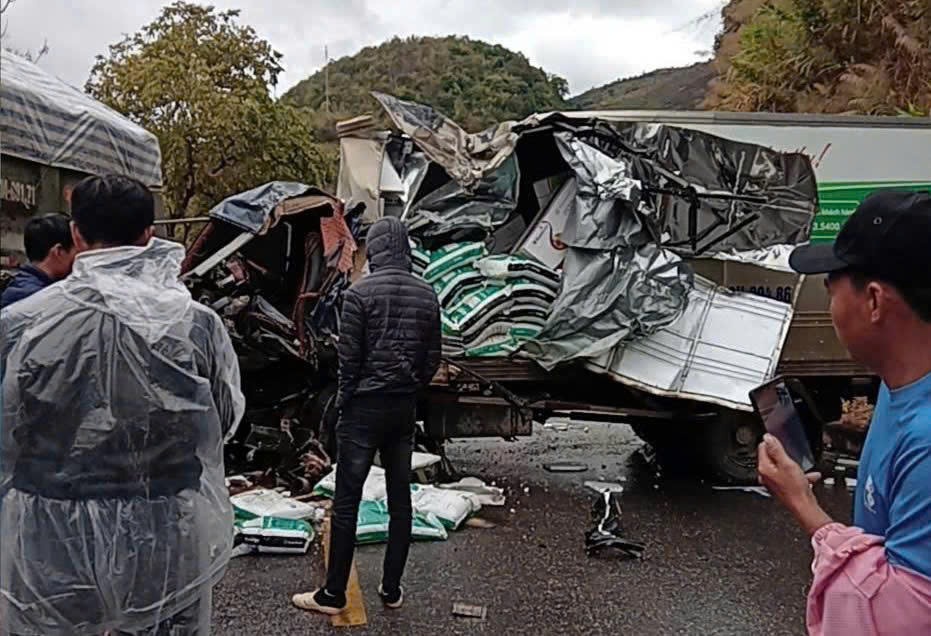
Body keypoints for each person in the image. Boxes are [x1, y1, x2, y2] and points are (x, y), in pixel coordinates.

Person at [0, 174, 245, 635]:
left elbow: (6, 428)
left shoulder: (20, 323)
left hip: (52, 530)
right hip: (165, 526)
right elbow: (221, 420)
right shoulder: (195, 325)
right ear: (148, 234)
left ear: (75, 234)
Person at [758, 190, 931, 635]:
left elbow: (897, 616)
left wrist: (803, 505)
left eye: (830, 288)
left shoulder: (927, 443)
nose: (830, 307)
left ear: (873, 301)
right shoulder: (899, 383)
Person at [292, 216, 441, 615]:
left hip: (363, 410)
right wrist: (411, 386)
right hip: (402, 410)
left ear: (373, 249)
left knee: (347, 502)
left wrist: (344, 401)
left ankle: (332, 594)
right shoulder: (427, 294)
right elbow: (433, 359)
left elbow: (348, 360)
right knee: (400, 501)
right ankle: (391, 589)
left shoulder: (359, 294)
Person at [0, 212, 78, 307]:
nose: (79, 259)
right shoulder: (38, 298)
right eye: (77, 253)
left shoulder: (23, 286)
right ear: (59, 252)